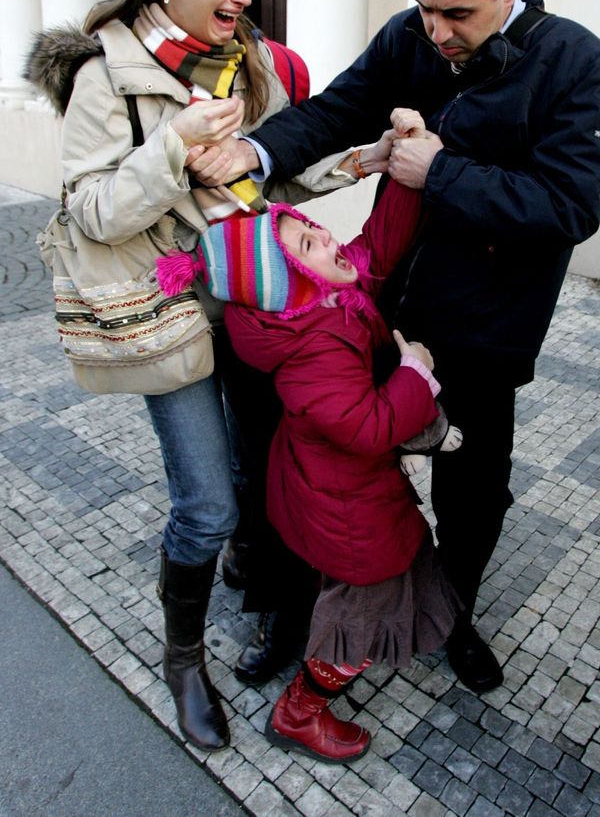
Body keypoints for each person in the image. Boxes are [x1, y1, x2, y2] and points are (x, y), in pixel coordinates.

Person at [215, 0, 600, 694]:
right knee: (316, 477)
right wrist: (257, 157)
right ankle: (295, 617)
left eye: (457, 16)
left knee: (473, 494)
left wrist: (439, 171)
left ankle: (453, 615)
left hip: (481, 335)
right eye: (424, 10)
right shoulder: (411, 34)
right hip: (374, 312)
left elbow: (569, 206)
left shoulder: (579, 66)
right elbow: (336, 108)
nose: (437, 33)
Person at [24, 0, 360, 752]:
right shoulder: (108, 75)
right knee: (206, 505)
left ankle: (261, 593)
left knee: (260, 476)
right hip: (166, 312)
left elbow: (275, 174)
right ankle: (182, 661)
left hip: (250, 302)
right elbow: (91, 211)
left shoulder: (249, 61)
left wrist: (359, 160)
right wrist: (173, 154)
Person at [156, 141, 462, 764]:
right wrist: (414, 374)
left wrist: (406, 174)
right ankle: (300, 712)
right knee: (360, 607)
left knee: (370, 584)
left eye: (310, 229)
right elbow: (367, 427)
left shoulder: (323, 295)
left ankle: (318, 659)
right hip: (348, 510)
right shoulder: (311, 349)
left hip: (345, 494)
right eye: (305, 245)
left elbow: (375, 246)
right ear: (286, 282)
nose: (326, 239)